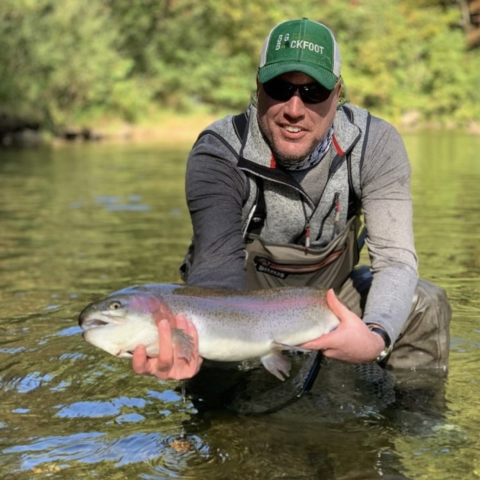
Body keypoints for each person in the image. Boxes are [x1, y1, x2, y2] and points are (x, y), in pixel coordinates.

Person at [132, 18, 451, 381]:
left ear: (339, 93)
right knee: (218, 391)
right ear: (258, 86)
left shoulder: (375, 145)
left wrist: (375, 337)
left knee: (423, 303)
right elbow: (216, 277)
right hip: (238, 307)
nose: (294, 109)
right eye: (280, 89)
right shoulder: (219, 153)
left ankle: (418, 423)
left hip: (328, 301)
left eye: (313, 92)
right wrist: (189, 341)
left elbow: (395, 260)